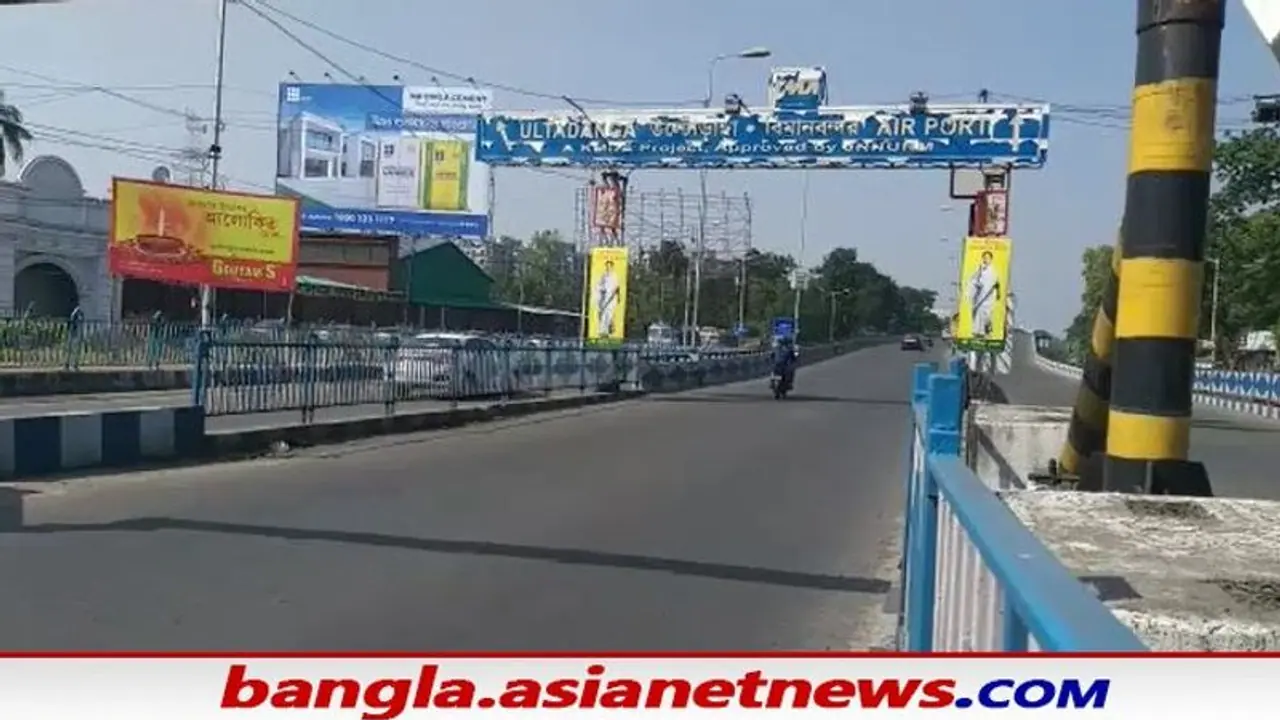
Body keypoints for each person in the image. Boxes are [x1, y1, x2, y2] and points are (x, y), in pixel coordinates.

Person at [965, 249, 1001, 338]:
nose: (986, 260)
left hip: (989, 297)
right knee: (978, 313)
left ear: (991, 259)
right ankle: (977, 331)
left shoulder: (994, 271)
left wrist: (998, 293)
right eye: (984, 258)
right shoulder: (979, 269)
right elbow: (972, 280)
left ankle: (987, 331)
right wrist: (977, 284)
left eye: (988, 258)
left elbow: (996, 283)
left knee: (987, 315)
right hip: (980, 296)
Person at [594, 259, 621, 338]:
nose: (608, 268)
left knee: (608, 315)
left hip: (611, 299)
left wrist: (616, 297)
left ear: (612, 267)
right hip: (604, 298)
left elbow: (616, 288)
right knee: (602, 315)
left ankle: (608, 331)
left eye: (610, 266)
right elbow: (600, 287)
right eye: (607, 266)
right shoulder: (603, 276)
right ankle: (602, 331)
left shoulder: (614, 276)